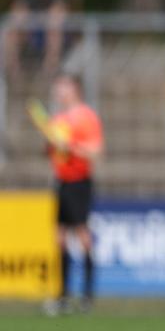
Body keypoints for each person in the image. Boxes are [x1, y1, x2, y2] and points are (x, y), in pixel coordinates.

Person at [42, 74, 104, 315]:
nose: (58, 91)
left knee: (83, 235)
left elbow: (96, 151)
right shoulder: (57, 120)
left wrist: (70, 147)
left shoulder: (86, 117)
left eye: (63, 87)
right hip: (62, 182)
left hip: (80, 182)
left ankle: (87, 295)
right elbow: (54, 153)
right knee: (60, 238)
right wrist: (51, 146)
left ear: (75, 89)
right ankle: (63, 296)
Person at [1, 0, 67, 83]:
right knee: (10, 34)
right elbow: (17, 13)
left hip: (50, 36)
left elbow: (59, 15)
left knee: (54, 33)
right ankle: (13, 71)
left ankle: (49, 70)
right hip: (31, 35)